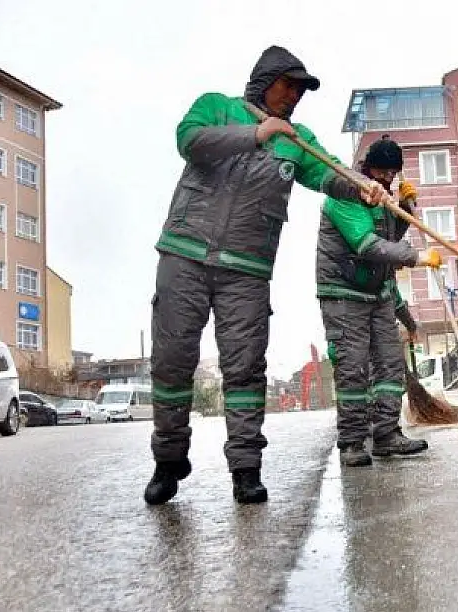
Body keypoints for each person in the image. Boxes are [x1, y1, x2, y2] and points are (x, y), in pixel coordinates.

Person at [144, 45, 391, 506]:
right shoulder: (216, 107)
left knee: (245, 368)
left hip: (248, 270)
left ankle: (245, 469)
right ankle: (168, 459)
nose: (295, 95)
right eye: (289, 84)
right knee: (173, 361)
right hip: (184, 254)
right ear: (265, 80)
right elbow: (190, 142)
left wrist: (364, 188)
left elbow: (330, 175)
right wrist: (256, 133)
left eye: (301, 89)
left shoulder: (297, 140)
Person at [317, 137, 439, 467]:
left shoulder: (383, 195)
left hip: (378, 291)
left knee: (390, 363)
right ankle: (353, 441)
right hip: (344, 292)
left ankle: (386, 435)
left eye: (392, 172)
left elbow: (390, 239)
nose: (386, 177)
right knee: (354, 367)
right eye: (381, 171)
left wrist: (405, 209)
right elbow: (368, 246)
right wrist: (418, 258)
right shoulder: (346, 193)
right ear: (367, 167)